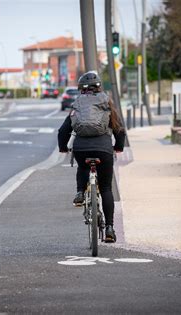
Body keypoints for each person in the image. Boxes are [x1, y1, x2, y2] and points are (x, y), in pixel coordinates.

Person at [57, 71, 125, 243]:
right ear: (99, 87)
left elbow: (63, 130)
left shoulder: (77, 104)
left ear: (81, 89)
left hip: (81, 148)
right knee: (106, 189)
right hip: (103, 148)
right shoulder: (106, 102)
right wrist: (118, 147)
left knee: (83, 167)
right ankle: (109, 229)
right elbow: (119, 130)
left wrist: (63, 148)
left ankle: (80, 193)